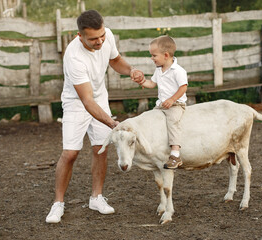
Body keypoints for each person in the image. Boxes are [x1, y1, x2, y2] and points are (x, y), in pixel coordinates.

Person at [45, 10, 144, 223]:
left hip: (99, 98)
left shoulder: (106, 35)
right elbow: (86, 101)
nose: (99, 41)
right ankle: (58, 203)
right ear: (80, 36)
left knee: (101, 147)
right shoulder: (73, 56)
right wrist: (112, 123)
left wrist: (131, 70)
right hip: (76, 102)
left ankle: (96, 197)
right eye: (93, 39)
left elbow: (115, 59)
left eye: (101, 36)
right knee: (70, 153)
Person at [137, 35, 188, 169]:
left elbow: (183, 87)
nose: (151, 58)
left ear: (166, 55)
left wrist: (172, 99)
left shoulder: (178, 71)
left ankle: (175, 155)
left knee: (172, 122)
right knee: (150, 119)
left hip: (176, 105)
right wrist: (142, 81)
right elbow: (152, 83)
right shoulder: (159, 70)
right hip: (161, 105)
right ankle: (155, 149)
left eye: (154, 55)